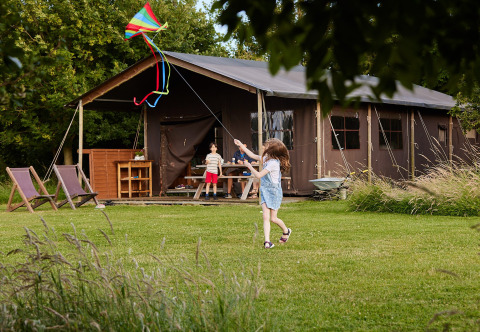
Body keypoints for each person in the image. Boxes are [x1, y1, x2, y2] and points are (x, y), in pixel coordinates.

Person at [234, 138, 292, 249]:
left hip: (274, 192)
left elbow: (259, 175)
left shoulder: (273, 163)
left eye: (266, 146)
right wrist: (240, 144)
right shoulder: (266, 158)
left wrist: (250, 166)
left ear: (271, 150)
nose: (264, 147)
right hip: (265, 191)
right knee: (265, 216)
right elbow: (251, 154)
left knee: (273, 219)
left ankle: (286, 230)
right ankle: (267, 242)